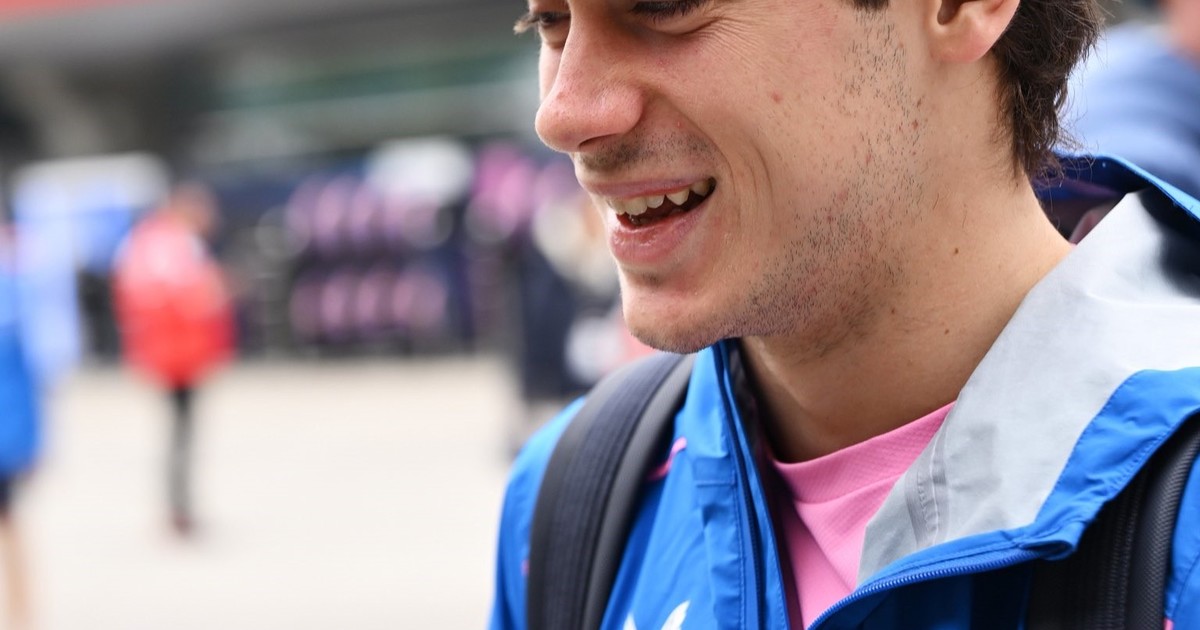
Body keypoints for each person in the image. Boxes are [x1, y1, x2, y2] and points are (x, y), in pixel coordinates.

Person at [490, 0, 1200, 628]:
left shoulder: (1179, 520)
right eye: (550, 21)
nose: (563, 116)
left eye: (664, 6)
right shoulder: (575, 499)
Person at [113, 183, 234, 537]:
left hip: (165, 352)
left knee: (178, 432)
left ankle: (178, 505)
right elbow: (195, 297)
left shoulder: (144, 241)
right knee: (182, 433)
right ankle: (179, 508)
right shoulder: (177, 244)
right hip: (180, 354)